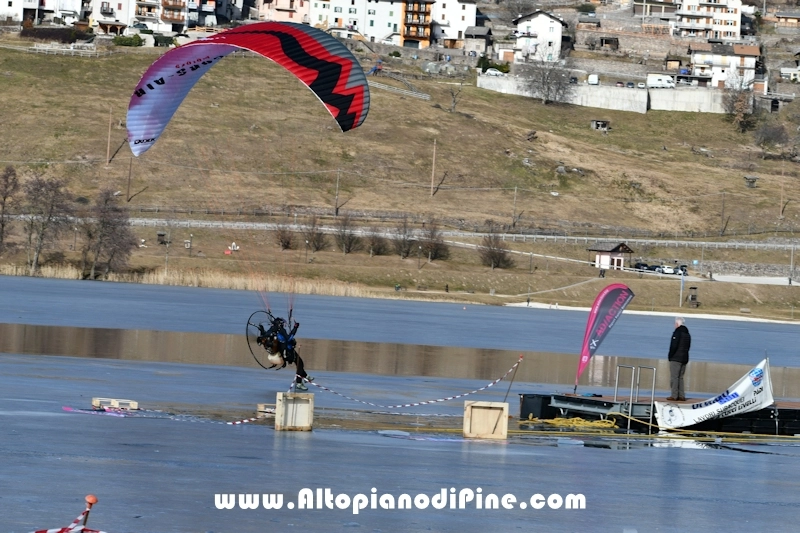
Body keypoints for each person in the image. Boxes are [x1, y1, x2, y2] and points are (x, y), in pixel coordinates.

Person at [257, 316, 313, 390]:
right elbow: (289, 338)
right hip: (289, 352)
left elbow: (264, 336)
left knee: (299, 364)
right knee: (300, 364)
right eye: (282, 323)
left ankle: (306, 377)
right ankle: (299, 383)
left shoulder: (271, 330)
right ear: (280, 324)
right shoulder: (281, 330)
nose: (283, 325)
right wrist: (295, 328)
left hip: (282, 353)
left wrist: (261, 329)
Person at [667, 317, 691, 401]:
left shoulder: (677, 333)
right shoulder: (687, 334)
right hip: (684, 357)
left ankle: (674, 395)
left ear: (677, 324)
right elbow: (688, 347)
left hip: (676, 358)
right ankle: (681, 395)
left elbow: (673, 346)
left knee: (674, 377)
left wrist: (670, 356)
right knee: (680, 377)